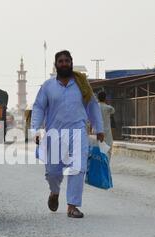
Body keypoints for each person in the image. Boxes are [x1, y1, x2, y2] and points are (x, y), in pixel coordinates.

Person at [31, 50, 104, 219]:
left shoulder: (82, 85)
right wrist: (35, 130)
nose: (64, 64)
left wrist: (99, 128)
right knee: (53, 172)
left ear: (71, 62)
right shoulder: (48, 86)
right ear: (56, 65)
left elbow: (93, 106)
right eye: (61, 61)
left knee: (78, 167)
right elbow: (38, 107)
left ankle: (72, 206)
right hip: (54, 134)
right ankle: (54, 192)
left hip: (78, 131)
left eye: (67, 61)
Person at [97, 91, 115, 160]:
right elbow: (113, 110)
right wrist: (107, 103)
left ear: (98, 98)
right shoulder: (108, 108)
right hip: (107, 133)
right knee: (107, 151)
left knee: (98, 151)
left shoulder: (95, 107)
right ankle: (106, 167)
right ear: (105, 98)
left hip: (97, 132)